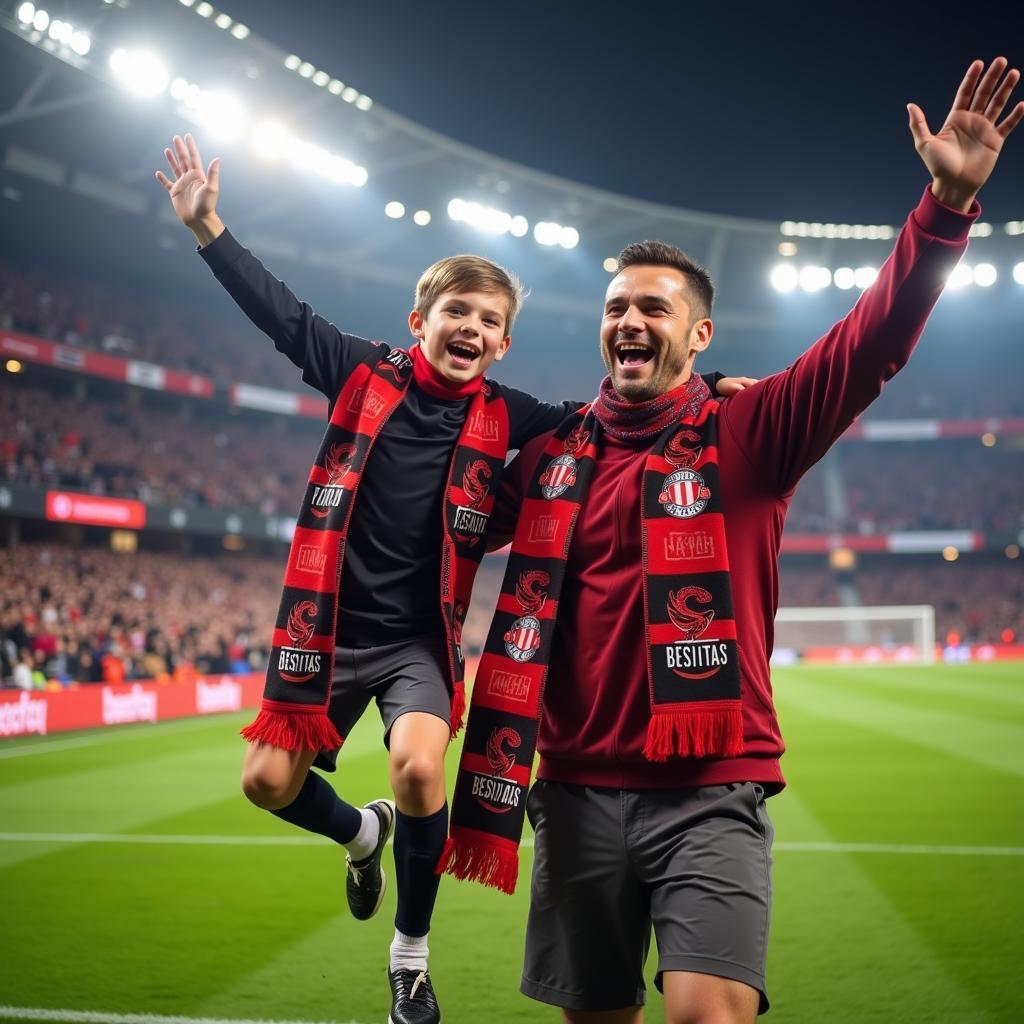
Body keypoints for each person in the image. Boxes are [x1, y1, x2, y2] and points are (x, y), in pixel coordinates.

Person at [442, 58, 1023, 1023]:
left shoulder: (747, 437)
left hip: (708, 793)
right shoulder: (550, 457)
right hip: (575, 789)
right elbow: (439, 512)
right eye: (616, 308)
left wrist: (945, 208)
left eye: (653, 308)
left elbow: (868, 344)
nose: (630, 320)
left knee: (707, 1014)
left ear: (699, 334)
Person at [155, 132, 750, 1024]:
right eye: (455, 313)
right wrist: (210, 231)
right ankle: (361, 835)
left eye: (487, 321)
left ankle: (411, 956)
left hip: (415, 645)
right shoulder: (358, 372)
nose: (469, 329)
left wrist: (711, 392)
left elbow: (615, 416)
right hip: (321, 633)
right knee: (266, 785)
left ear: (503, 344)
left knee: (420, 771)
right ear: (419, 323)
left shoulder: (513, 416)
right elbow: (280, 315)